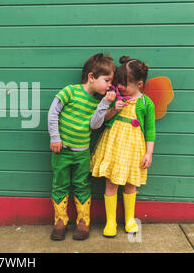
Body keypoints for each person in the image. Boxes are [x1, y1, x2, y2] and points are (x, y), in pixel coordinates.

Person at [48, 53, 116, 241]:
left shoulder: (97, 102)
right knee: (60, 184)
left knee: (82, 185)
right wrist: (55, 137)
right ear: (91, 77)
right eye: (107, 80)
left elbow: (95, 125)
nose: (110, 85)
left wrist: (105, 105)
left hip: (82, 153)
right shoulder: (70, 91)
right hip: (61, 150)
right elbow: (53, 113)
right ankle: (60, 221)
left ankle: (83, 221)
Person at [91, 56, 156, 238]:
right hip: (114, 146)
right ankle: (110, 221)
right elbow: (105, 119)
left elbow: (150, 130)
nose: (119, 86)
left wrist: (149, 153)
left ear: (140, 84)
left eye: (124, 84)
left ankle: (129, 219)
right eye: (118, 82)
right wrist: (114, 109)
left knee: (130, 184)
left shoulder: (146, 103)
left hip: (134, 149)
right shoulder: (115, 98)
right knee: (111, 182)